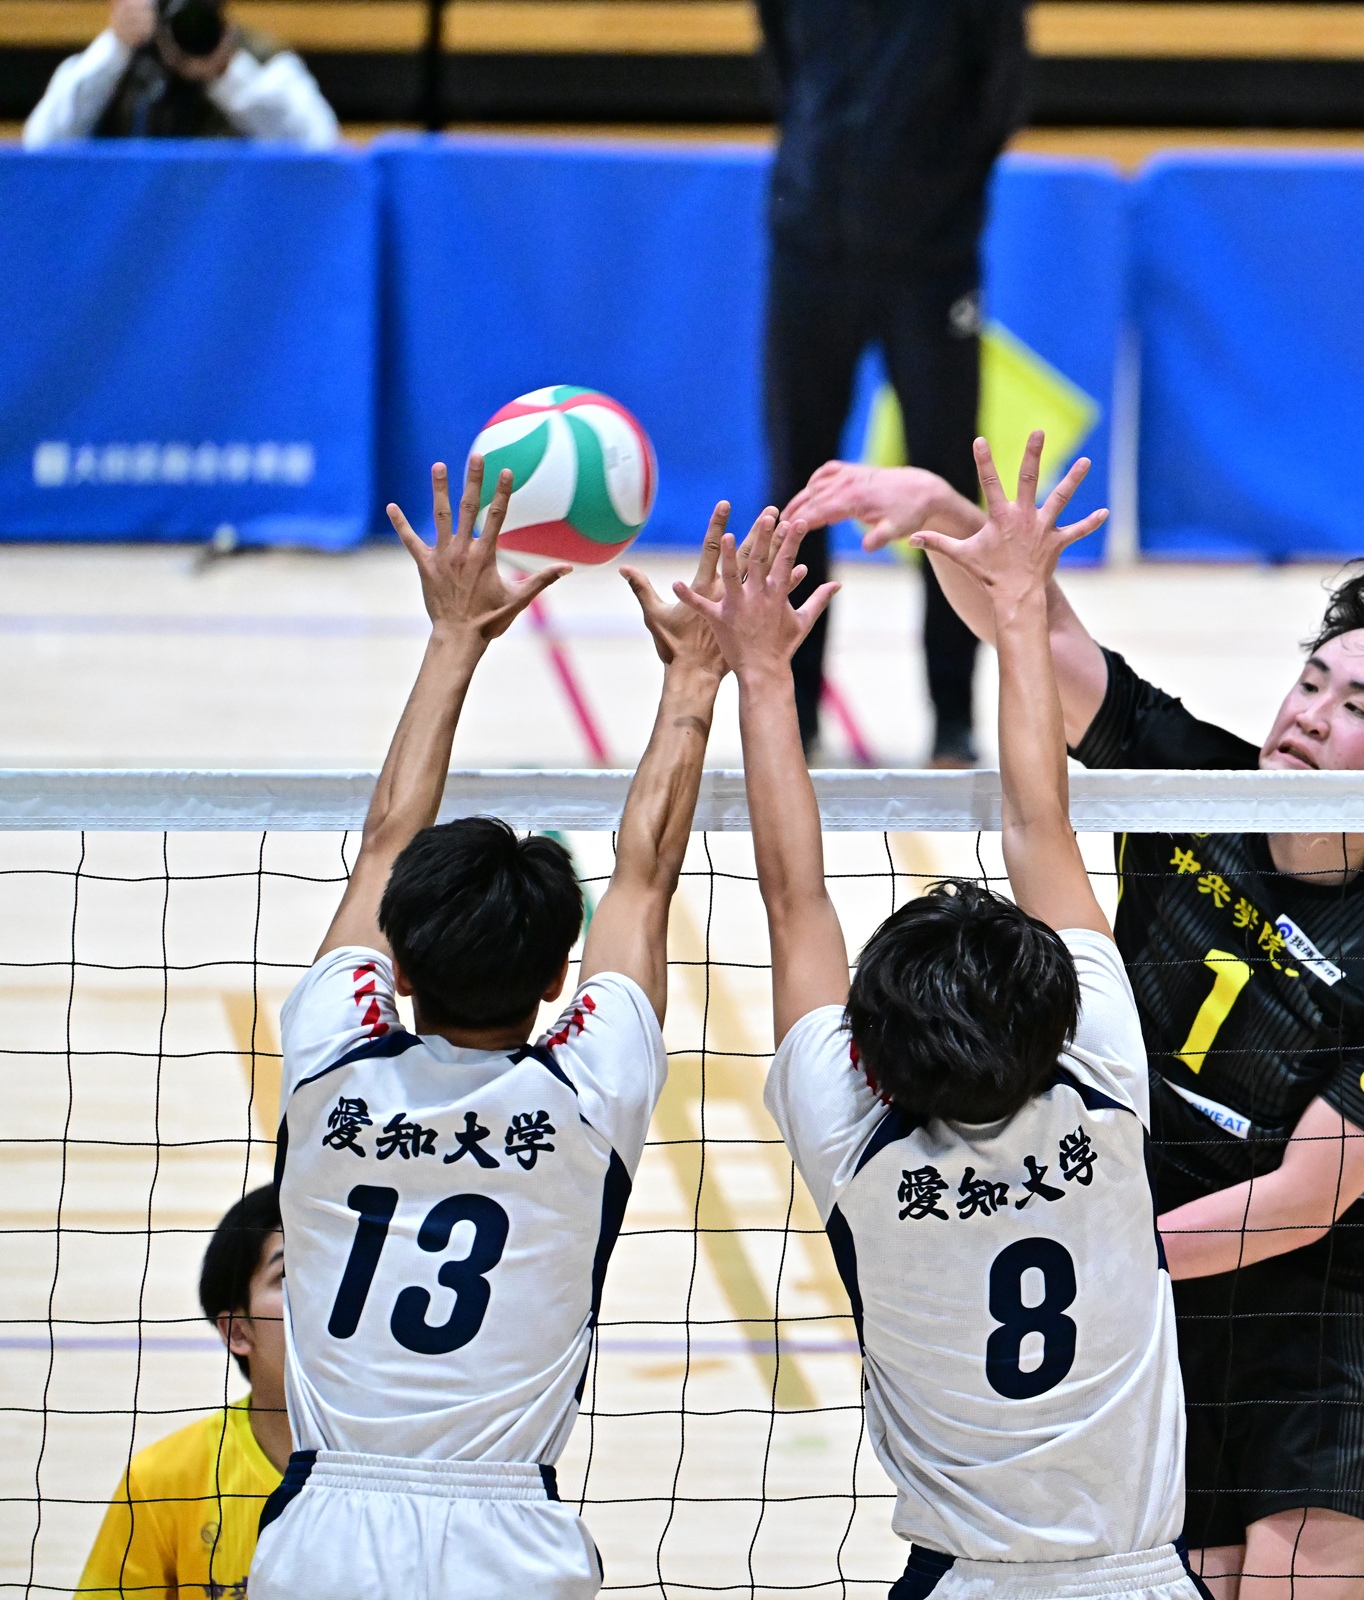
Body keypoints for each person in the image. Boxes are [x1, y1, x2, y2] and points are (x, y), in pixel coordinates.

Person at [784, 458, 1364, 1600]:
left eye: (1357, 707)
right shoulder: (1193, 783)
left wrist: (1104, 1254)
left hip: (1324, 1308)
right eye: (1312, 682)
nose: (1310, 715)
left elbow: (1302, 1199)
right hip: (1164, 1285)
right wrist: (942, 513)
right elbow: (1039, 630)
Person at [688, 435, 1192, 1600]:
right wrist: (1017, 605)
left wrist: (760, 676)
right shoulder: (1107, 1084)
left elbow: (794, 896)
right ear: (1056, 1017)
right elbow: (1037, 826)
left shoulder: (853, 1140)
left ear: (867, 1056)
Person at [251, 459, 752, 1599]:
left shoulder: (332, 1058)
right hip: (507, 1547)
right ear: (557, 981)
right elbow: (644, 879)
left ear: (398, 966)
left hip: (323, 1542)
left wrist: (453, 638)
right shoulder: (586, 1094)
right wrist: (694, 677)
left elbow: (386, 844)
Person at [751, 0, 1028, 766]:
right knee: (798, 489)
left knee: (946, 490)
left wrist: (933, 192)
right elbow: (784, 61)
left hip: (932, 264)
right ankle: (791, 711)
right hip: (810, 249)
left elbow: (1001, 89)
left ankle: (952, 718)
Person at [77, 1185, 289, 1598]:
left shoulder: (417, 1462)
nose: (325, 1294)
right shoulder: (163, 1482)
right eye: (288, 1274)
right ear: (238, 1332)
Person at [24, 0, 338, 149]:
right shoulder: (114, 57)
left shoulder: (258, 59)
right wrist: (116, 49)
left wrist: (226, 75)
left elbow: (319, 146)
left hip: (231, 234)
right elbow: (40, 146)